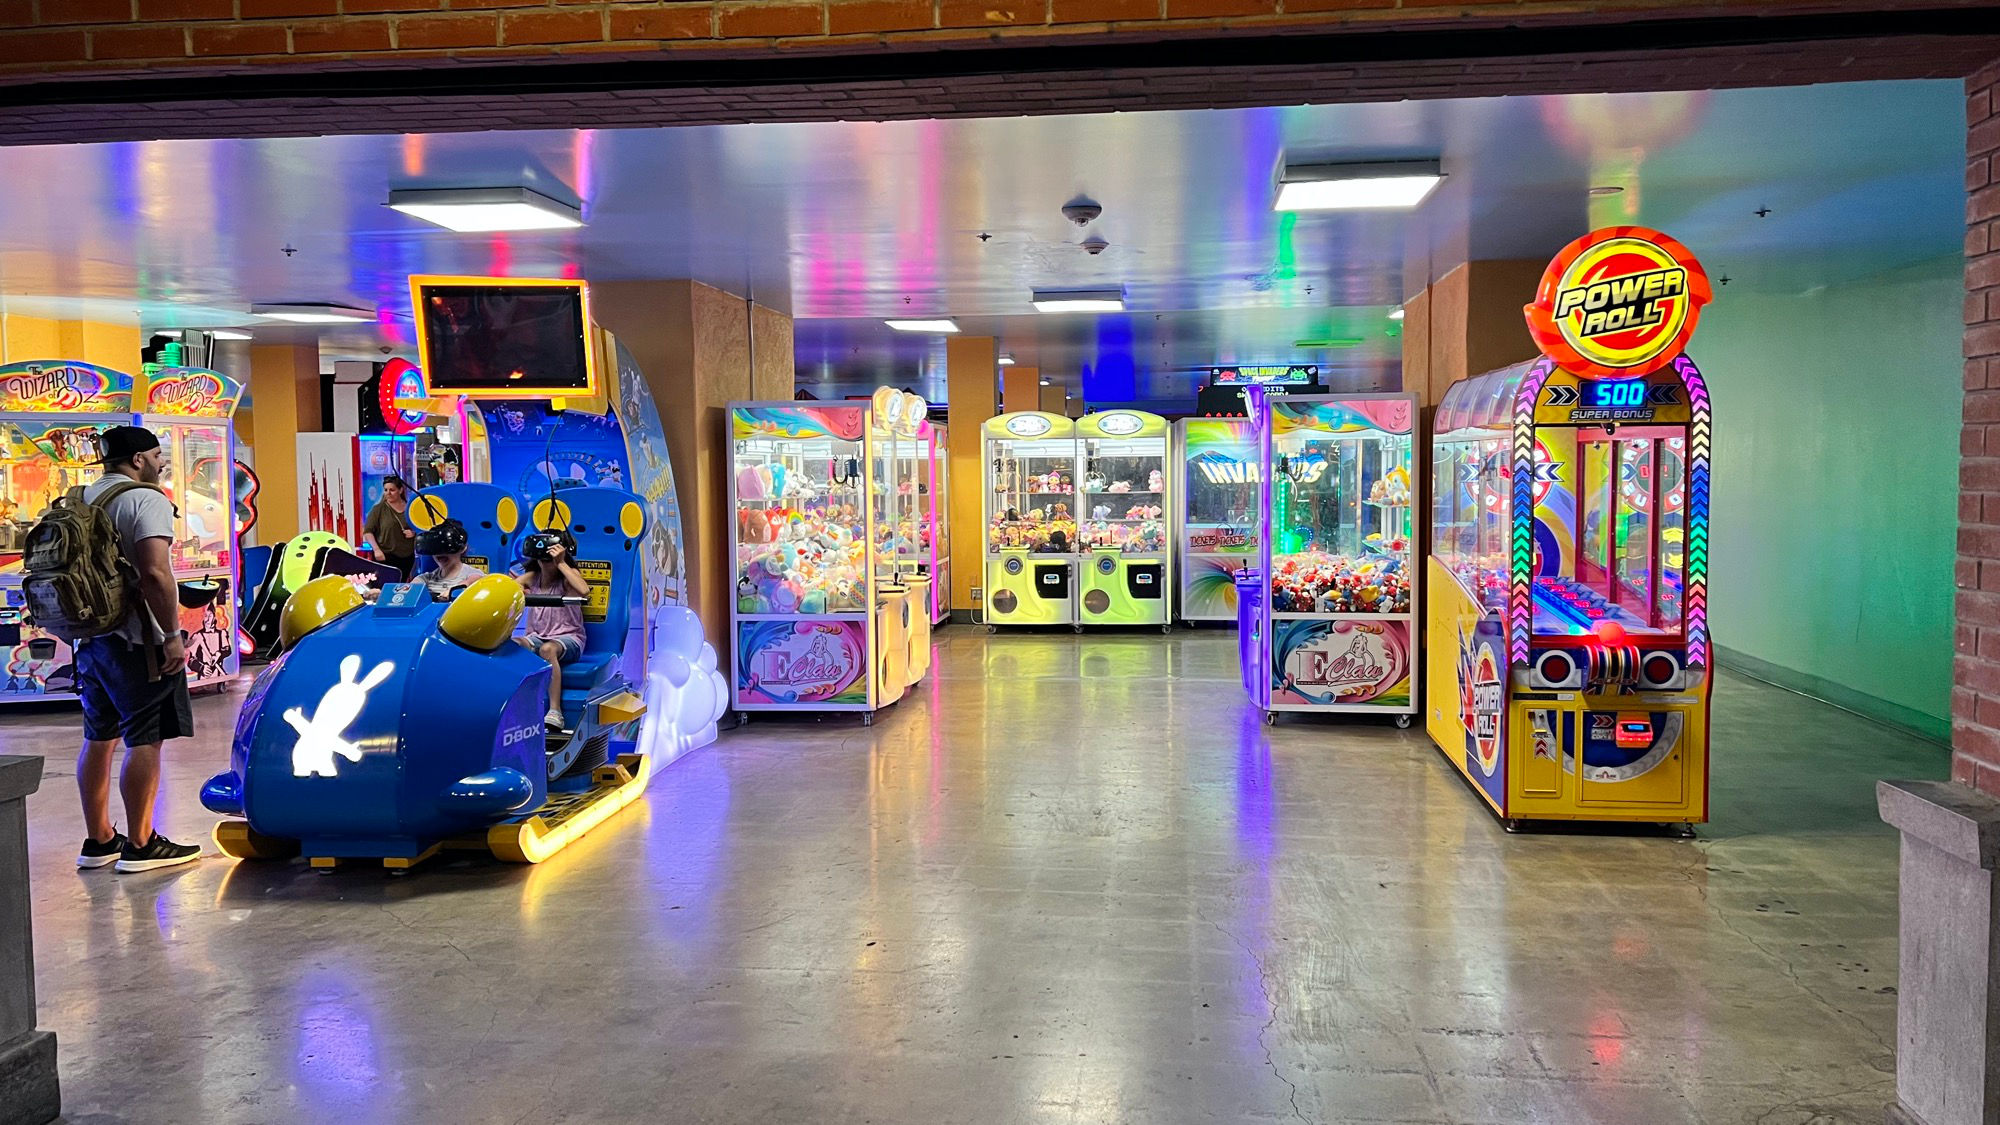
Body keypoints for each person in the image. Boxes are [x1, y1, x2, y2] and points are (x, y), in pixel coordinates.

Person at [74, 426, 202, 873]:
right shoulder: (145, 499)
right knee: (145, 738)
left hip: (92, 639)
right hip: (138, 642)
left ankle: (99, 840)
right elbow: (155, 573)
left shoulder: (84, 498)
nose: (160, 460)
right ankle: (142, 845)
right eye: (155, 454)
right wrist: (171, 635)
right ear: (136, 461)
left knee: (98, 737)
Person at [515, 530, 589, 730]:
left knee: (547, 650)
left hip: (569, 638)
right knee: (514, 645)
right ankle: (519, 706)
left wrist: (561, 563)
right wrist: (516, 589)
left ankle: (555, 711)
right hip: (537, 636)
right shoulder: (532, 577)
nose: (546, 560)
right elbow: (509, 587)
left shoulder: (568, 577)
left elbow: (583, 590)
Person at [408, 518, 484, 602]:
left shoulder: (471, 574)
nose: (440, 553)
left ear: (462, 549)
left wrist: (455, 590)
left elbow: (474, 580)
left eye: (446, 549)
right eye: (435, 549)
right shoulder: (427, 578)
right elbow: (411, 589)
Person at [364, 474, 417, 580]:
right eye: (386, 490)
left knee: (400, 585)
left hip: (407, 556)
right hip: (385, 555)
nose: (388, 493)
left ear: (400, 490)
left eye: (392, 490)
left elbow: (420, 527)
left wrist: (414, 533)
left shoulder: (411, 508)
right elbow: (368, 532)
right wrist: (376, 549)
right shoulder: (378, 509)